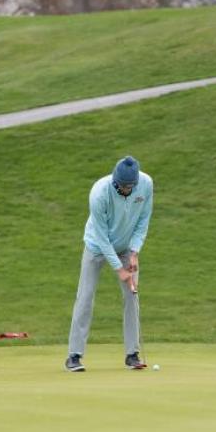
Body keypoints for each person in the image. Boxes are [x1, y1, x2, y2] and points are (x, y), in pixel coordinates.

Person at [66, 156, 154, 371]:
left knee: (132, 296)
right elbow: (102, 236)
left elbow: (143, 220)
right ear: (115, 181)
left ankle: (132, 354)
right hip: (97, 246)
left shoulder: (146, 184)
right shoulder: (99, 193)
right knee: (85, 296)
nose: (126, 190)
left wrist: (134, 252)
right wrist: (119, 269)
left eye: (130, 186)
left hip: (126, 247)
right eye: (122, 186)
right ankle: (74, 356)